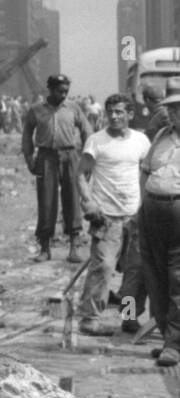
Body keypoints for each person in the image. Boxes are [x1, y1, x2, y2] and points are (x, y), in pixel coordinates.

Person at [74, 94, 152, 337]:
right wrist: (89, 202)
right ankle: (90, 319)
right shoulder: (96, 141)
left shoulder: (141, 141)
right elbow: (81, 175)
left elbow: (147, 173)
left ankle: (129, 318)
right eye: (111, 112)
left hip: (134, 216)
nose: (115, 116)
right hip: (106, 217)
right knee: (104, 267)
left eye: (120, 112)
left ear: (130, 114)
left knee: (134, 273)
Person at [22, 74, 91, 262]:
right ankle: (45, 249)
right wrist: (30, 158)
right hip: (46, 157)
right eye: (60, 91)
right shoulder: (36, 110)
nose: (63, 95)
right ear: (50, 90)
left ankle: (74, 249)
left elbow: (87, 132)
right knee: (46, 202)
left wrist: (87, 159)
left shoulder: (74, 108)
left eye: (66, 91)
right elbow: (27, 134)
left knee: (72, 201)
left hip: (70, 156)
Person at [138, 82, 180, 367]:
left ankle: (175, 344)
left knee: (177, 277)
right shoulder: (163, 135)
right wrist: (140, 210)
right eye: (173, 109)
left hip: (178, 209)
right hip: (151, 209)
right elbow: (145, 171)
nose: (176, 114)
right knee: (154, 274)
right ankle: (166, 335)